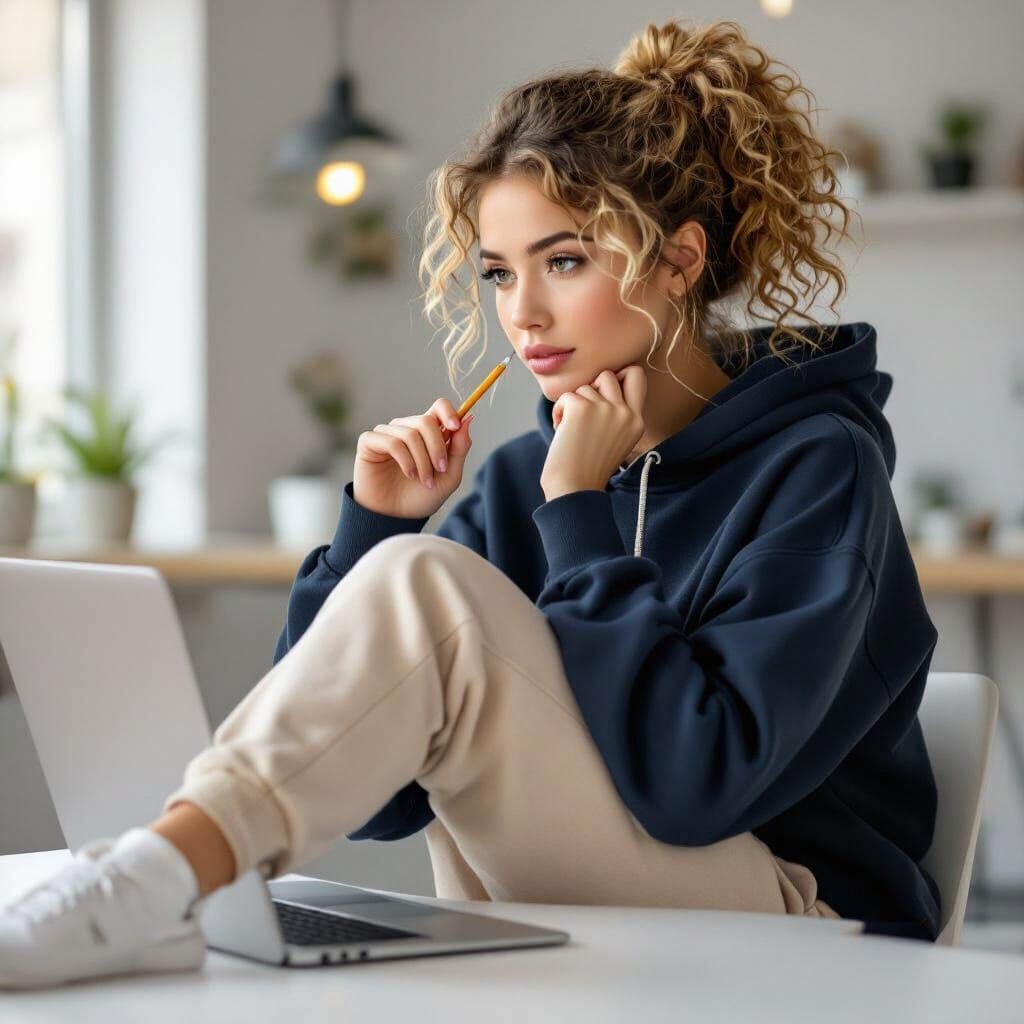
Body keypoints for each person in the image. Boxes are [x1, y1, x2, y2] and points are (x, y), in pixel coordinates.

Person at [0, 17, 942, 989]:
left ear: (678, 260)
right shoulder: (522, 476)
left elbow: (691, 785)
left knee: (427, 586)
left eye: (563, 260)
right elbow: (378, 802)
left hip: (806, 927)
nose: (521, 313)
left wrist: (576, 511)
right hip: (576, 903)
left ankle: (151, 883)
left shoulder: (816, 466)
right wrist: (375, 528)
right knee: (416, 575)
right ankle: (167, 876)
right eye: (499, 272)